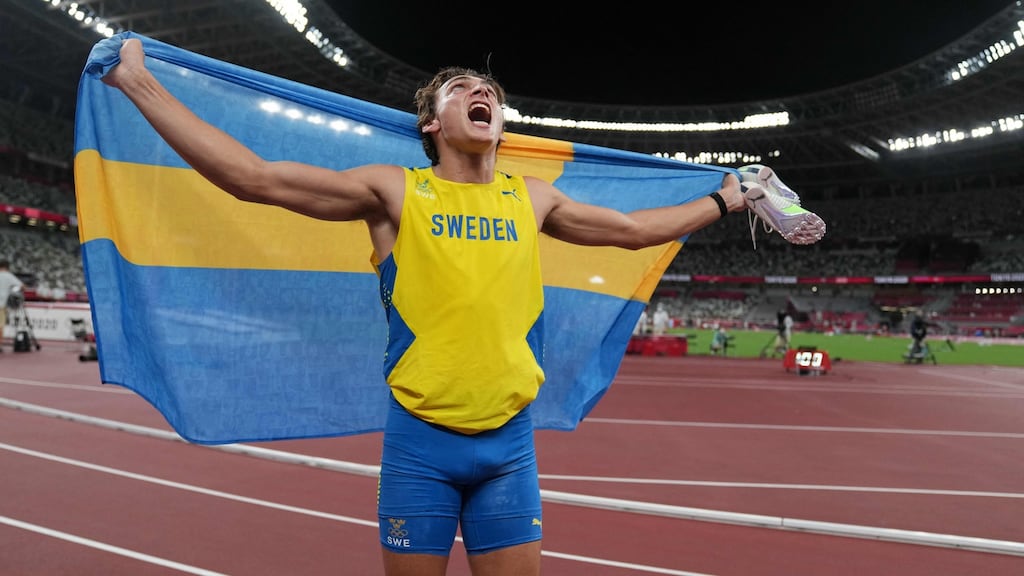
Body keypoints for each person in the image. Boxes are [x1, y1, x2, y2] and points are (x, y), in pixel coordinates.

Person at [100, 37, 821, 576]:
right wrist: (139, 83)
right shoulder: (393, 192)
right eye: (460, 87)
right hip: (420, 449)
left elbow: (634, 232)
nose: (480, 90)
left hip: (510, 448)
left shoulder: (533, 198)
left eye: (488, 89)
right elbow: (252, 178)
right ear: (430, 125)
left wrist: (729, 197)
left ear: (501, 123)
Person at [0, 259, 24, 351]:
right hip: (1, 304)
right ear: (7, 267)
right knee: (0, 325)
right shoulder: (8, 276)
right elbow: (22, 286)